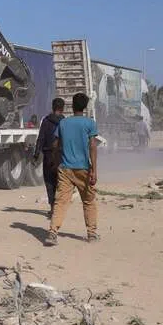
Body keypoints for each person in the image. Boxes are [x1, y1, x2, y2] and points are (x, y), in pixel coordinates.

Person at [45, 92, 99, 246]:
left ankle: (52, 232)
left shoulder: (63, 123)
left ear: (72, 106)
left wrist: (56, 162)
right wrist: (94, 170)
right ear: (85, 107)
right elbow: (93, 146)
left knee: (61, 202)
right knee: (88, 201)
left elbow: (55, 145)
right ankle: (92, 234)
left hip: (65, 169)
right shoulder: (90, 123)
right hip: (83, 169)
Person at [32, 98, 65, 215]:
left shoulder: (46, 121)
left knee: (49, 181)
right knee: (60, 182)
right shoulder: (65, 122)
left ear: (52, 107)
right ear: (63, 108)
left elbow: (41, 138)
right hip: (60, 156)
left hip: (48, 155)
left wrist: (36, 154)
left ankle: (52, 207)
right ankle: (58, 207)